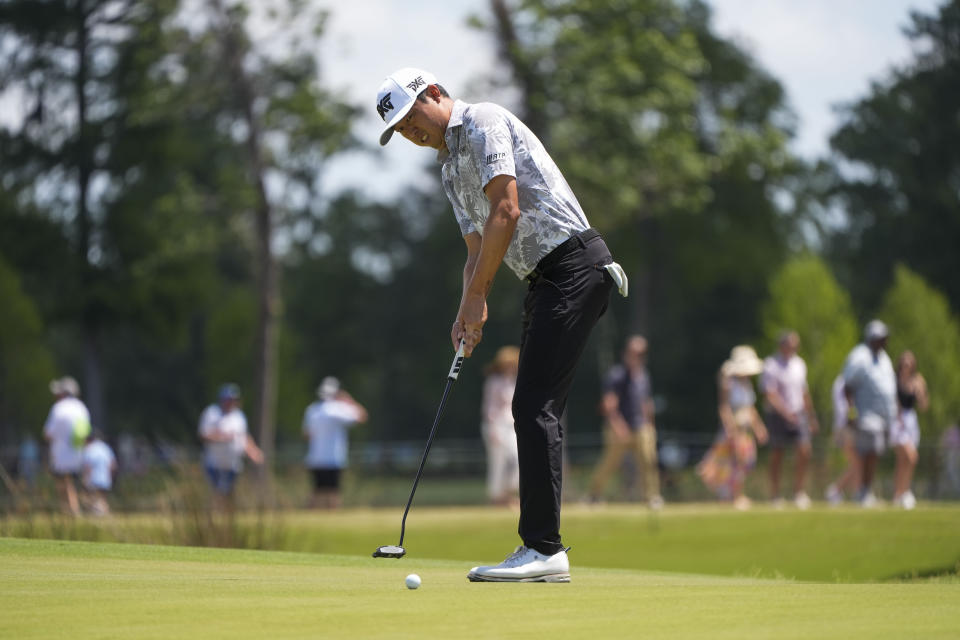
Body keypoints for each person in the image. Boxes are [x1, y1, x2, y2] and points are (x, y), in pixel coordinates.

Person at [376, 67, 628, 583]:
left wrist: (478, 298)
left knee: (534, 405)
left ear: (435, 94)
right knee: (532, 405)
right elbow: (475, 248)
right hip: (544, 278)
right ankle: (540, 547)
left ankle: (544, 549)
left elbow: (506, 211)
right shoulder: (448, 169)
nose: (410, 133)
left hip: (575, 266)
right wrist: (466, 309)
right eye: (399, 131)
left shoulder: (484, 120)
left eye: (410, 117)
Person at [587, 335, 663, 508]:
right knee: (610, 464)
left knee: (648, 461)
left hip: (641, 426)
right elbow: (609, 404)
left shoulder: (643, 375)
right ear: (626, 353)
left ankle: (652, 497)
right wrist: (618, 426)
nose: (638, 356)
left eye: (641, 353)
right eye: (634, 352)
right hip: (619, 427)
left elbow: (646, 403)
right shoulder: (616, 375)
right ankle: (594, 495)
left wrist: (651, 425)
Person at [697, 346, 769, 510]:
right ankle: (731, 496)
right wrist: (730, 429)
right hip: (733, 430)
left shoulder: (747, 385)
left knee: (743, 463)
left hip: (745, 431)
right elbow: (724, 408)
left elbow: (750, 409)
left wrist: (759, 428)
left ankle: (737, 495)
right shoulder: (728, 383)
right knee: (730, 463)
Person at [841, 320, 897, 507]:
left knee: (874, 454)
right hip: (866, 416)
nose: (883, 342)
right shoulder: (860, 357)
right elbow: (847, 387)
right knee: (867, 453)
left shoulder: (884, 358)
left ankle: (865, 491)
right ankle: (862, 492)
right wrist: (851, 412)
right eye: (880, 338)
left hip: (883, 418)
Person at [760, 331, 819, 509]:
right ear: (782, 345)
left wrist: (811, 416)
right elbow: (770, 394)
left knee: (804, 451)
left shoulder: (799, 364)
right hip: (778, 416)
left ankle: (798, 492)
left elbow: (804, 392)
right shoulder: (771, 365)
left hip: (798, 413)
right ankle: (775, 495)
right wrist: (786, 414)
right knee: (777, 454)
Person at [303, 376, 368, 509]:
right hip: (334, 457)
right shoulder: (338, 409)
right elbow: (362, 416)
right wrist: (349, 401)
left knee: (317, 491)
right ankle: (333, 515)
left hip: (316, 457)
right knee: (334, 491)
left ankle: (311, 515)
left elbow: (307, 434)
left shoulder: (312, 410)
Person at [198, 384, 263, 511]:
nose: (230, 402)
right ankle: (215, 514)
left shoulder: (239, 417)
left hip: (233, 463)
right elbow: (203, 434)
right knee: (217, 491)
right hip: (214, 462)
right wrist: (222, 437)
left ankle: (225, 516)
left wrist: (253, 451)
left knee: (228, 492)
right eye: (228, 399)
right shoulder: (212, 413)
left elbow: (244, 437)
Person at [42, 376, 90, 515]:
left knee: (63, 484)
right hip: (79, 455)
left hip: (61, 455)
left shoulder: (58, 408)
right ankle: (77, 509)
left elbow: (48, 434)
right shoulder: (82, 408)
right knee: (74, 485)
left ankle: (71, 511)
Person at [481, 346, 521, 507]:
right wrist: (493, 429)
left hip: (512, 426)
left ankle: (508, 493)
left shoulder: (514, 381)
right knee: (498, 462)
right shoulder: (493, 382)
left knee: (518, 458)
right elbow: (490, 407)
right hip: (496, 425)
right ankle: (497, 497)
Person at [890, 350, 928, 510]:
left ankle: (898, 494)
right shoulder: (894, 379)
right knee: (912, 457)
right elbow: (892, 401)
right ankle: (905, 492)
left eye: (909, 362)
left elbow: (924, 406)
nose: (906, 365)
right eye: (904, 362)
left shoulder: (918, 380)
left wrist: (919, 393)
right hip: (898, 421)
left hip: (911, 421)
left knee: (902, 461)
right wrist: (897, 419)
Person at [825, 373, 860, 505]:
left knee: (857, 463)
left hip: (846, 426)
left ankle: (856, 492)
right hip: (846, 426)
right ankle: (835, 490)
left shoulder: (843, 380)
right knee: (858, 463)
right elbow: (844, 410)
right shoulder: (844, 382)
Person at [81, 430, 117, 516]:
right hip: (105, 478)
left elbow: (87, 466)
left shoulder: (89, 448)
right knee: (102, 499)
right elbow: (113, 464)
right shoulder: (105, 447)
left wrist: (85, 479)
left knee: (93, 499)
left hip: (94, 478)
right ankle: (105, 514)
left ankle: (99, 515)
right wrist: (111, 477)